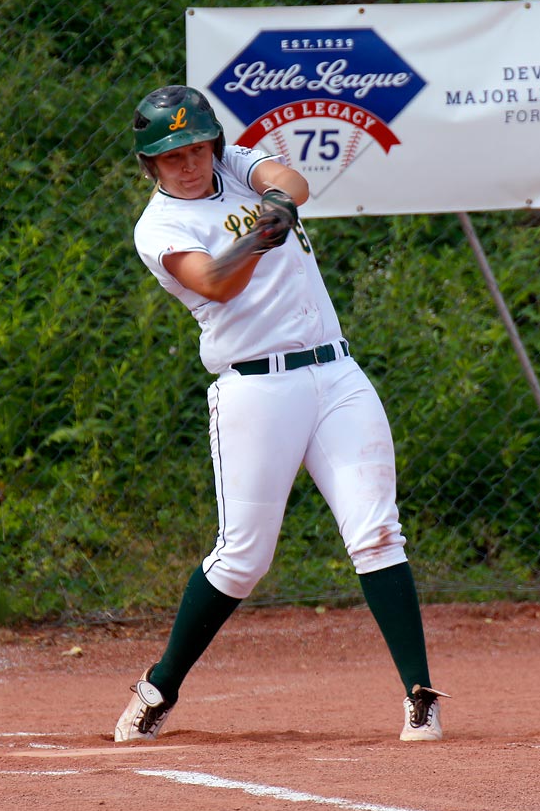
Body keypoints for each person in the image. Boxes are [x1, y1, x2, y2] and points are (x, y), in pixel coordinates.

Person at [114, 85, 447, 743]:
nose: (189, 161)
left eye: (197, 145)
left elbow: (288, 178)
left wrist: (274, 202)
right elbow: (212, 280)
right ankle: (160, 685)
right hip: (256, 389)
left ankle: (419, 695)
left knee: (377, 532)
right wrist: (260, 238)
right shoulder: (159, 228)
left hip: (336, 373)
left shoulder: (230, 164)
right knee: (243, 558)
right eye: (171, 153)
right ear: (149, 164)